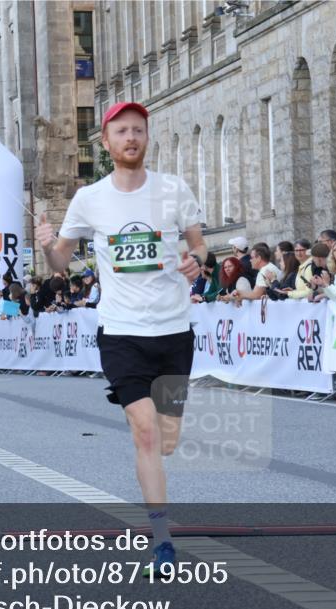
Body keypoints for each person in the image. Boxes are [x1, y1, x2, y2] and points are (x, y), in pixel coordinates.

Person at [37, 101, 207, 578]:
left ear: (146, 137)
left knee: (168, 438)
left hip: (174, 330)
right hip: (121, 332)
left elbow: (198, 243)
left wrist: (197, 259)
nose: (131, 137)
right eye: (121, 132)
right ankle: (162, 539)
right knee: (146, 433)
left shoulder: (174, 190)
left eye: (138, 130)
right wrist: (48, 243)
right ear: (106, 143)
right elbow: (58, 265)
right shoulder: (89, 198)